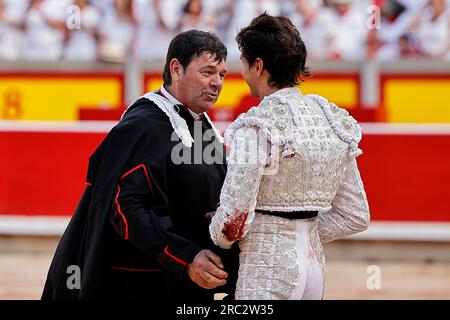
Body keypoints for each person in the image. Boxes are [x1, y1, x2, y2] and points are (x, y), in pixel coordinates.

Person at [42, 30, 239, 300]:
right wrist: (186, 257)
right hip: (140, 284)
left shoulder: (204, 128)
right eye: (208, 72)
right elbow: (126, 208)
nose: (217, 82)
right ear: (176, 69)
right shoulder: (144, 124)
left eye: (222, 75)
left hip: (186, 283)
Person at [209, 13, 370, 300]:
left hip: (267, 269)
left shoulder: (257, 123)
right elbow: (355, 216)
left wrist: (218, 233)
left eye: (245, 63)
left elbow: (233, 222)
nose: (243, 72)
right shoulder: (332, 120)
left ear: (258, 65)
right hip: (314, 269)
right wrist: (300, 232)